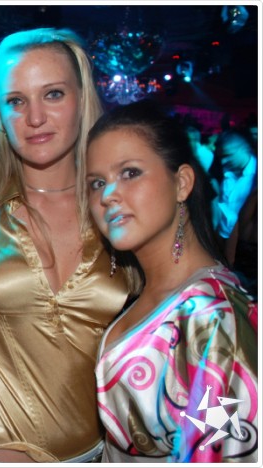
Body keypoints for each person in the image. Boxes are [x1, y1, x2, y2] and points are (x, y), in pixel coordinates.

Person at [0, 28, 130, 462]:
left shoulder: (121, 211)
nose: (35, 118)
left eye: (53, 94)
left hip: (102, 448)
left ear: (82, 98)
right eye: (16, 101)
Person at [86, 99, 257, 463]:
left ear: (182, 183)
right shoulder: (140, 290)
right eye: (96, 183)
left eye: (130, 172)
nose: (107, 195)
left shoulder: (214, 318)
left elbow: (225, 454)